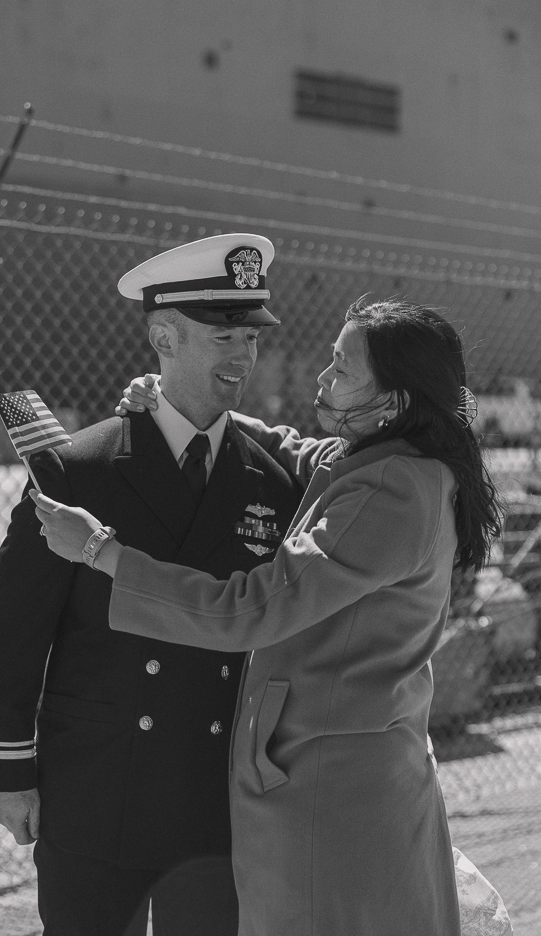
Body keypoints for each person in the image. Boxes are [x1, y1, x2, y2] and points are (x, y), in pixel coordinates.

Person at [32, 297, 503, 936]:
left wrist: (103, 552)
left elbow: (252, 610)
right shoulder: (390, 461)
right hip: (347, 773)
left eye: (341, 370)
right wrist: (182, 405)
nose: (322, 380)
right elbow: (304, 453)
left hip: (329, 791)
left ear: (391, 403)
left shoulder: (390, 492)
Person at [0, 233, 302, 936]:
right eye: (223, 335)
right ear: (163, 335)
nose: (242, 354)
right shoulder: (78, 469)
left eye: (249, 335)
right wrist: (9, 769)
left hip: (215, 798)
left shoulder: (276, 482)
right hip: (97, 787)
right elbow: (13, 627)